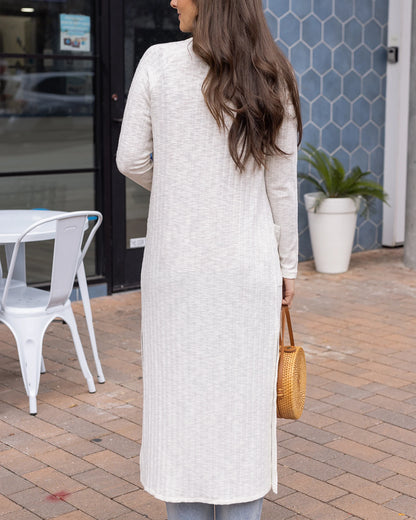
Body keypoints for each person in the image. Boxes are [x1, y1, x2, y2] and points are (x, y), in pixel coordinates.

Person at [116, 0, 302, 518]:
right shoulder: (271, 72)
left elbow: (129, 158)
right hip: (246, 269)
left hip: (176, 271)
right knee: (242, 411)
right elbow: (281, 186)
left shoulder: (157, 62)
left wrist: (179, 184)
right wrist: (288, 266)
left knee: (181, 408)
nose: (173, 0)